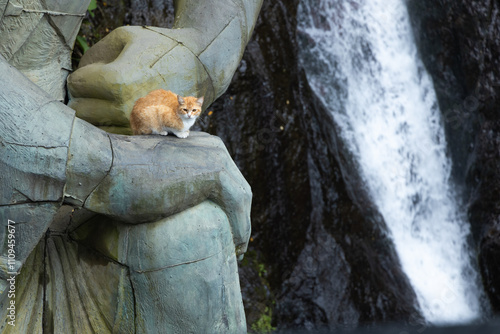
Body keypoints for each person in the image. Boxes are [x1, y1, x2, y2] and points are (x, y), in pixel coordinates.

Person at [0, 1, 262, 332]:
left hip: (66, 157)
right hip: (16, 224)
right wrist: (111, 163)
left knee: (189, 231)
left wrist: (198, 50)